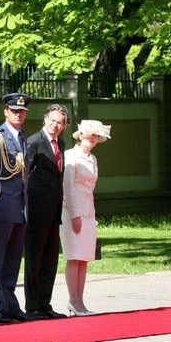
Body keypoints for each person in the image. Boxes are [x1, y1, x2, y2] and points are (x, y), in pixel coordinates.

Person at [0, 93, 30, 322]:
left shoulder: (22, 137)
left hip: (20, 207)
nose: (18, 115)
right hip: (1, 207)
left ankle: (10, 304)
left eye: (22, 111)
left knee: (12, 261)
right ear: (5, 112)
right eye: (14, 111)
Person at [24, 104, 71, 319]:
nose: (55, 125)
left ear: (64, 126)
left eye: (59, 122)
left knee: (50, 258)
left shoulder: (60, 143)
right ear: (45, 120)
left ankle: (45, 303)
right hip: (36, 210)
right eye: (52, 120)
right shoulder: (33, 142)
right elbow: (26, 176)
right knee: (35, 258)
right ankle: (33, 306)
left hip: (53, 211)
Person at [61, 119, 111, 316]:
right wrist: (75, 214)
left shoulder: (92, 159)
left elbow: (89, 189)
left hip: (89, 211)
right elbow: (68, 187)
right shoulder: (70, 157)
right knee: (74, 257)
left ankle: (79, 301)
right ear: (80, 136)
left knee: (84, 258)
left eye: (96, 137)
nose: (93, 140)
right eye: (90, 136)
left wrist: (90, 213)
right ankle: (73, 300)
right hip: (72, 211)